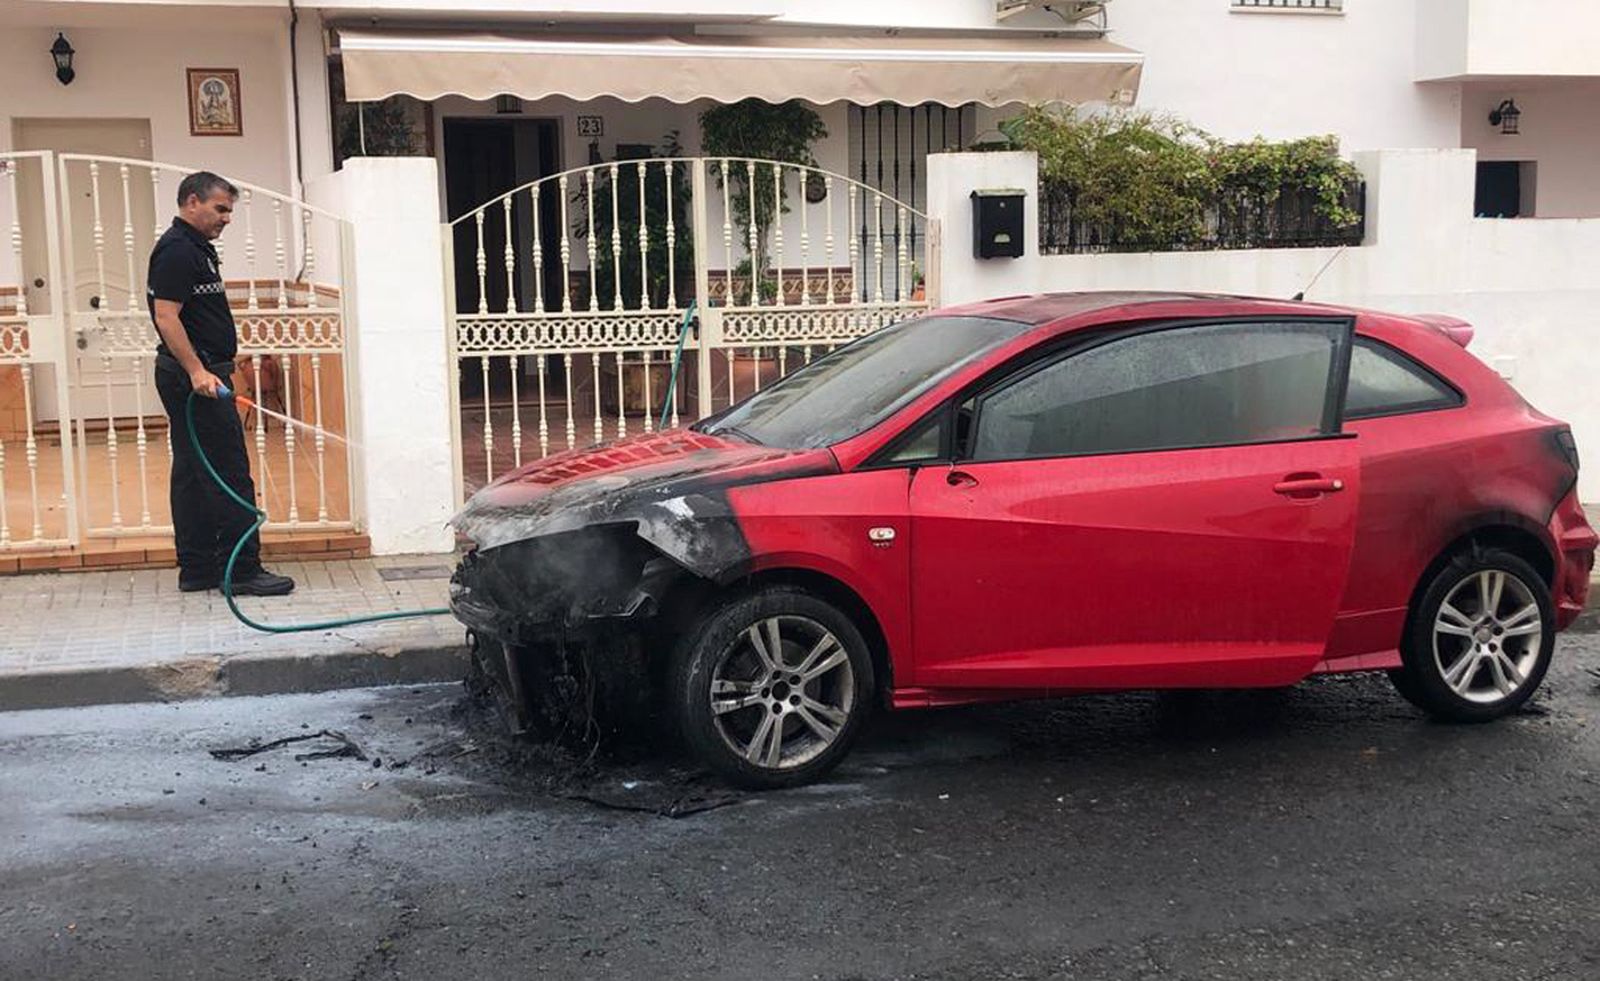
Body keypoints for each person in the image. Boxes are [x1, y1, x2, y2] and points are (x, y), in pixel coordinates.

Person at [148, 171, 295, 596]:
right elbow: (166, 316)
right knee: (229, 471)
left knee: (194, 473)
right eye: (220, 209)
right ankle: (244, 570)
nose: (226, 218)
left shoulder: (198, 249)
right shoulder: (177, 250)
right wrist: (197, 370)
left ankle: (197, 569)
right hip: (195, 379)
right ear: (192, 202)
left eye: (228, 210)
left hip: (201, 373)